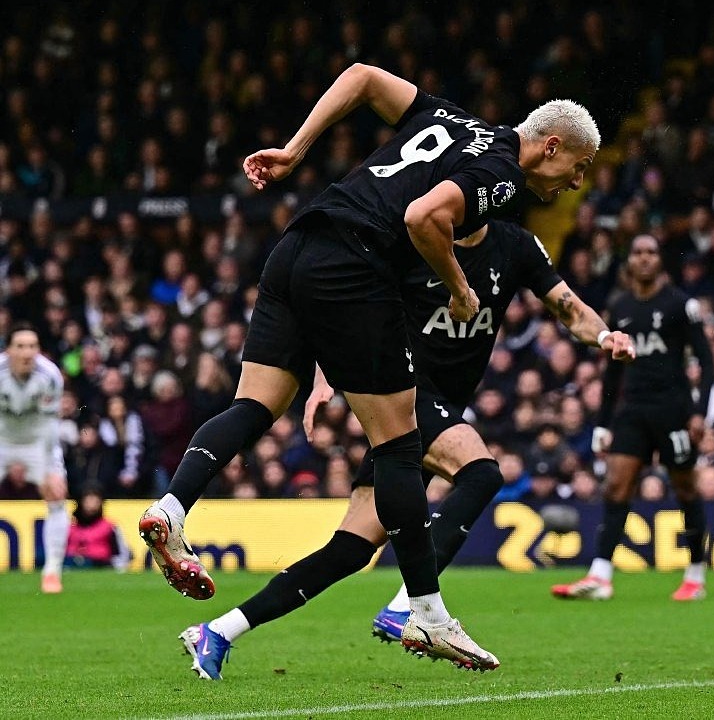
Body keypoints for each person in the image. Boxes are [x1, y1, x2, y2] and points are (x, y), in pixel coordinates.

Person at [136, 62, 600, 669]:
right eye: (579, 169)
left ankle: (172, 511)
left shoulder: (451, 117)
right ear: (553, 145)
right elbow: (421, 217)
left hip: (298, 246)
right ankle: (425, 611)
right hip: (354, 266)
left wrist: (296, 151)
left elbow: (361, 76)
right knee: (400, 448)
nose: (575, 183)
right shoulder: (501, 172)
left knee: (253, 407)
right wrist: (458, 287)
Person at [175, 218, 634, 680]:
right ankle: (409, 608)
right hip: (404, 392)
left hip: (425, 415)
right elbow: (348, 313)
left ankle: (218, 631)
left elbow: (569, 306)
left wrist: (603, 336)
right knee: (482, 473)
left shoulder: (516, 245)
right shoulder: (415, 241)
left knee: (349, 551)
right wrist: (322, 379)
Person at [552, 233, 714, 601]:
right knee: (615, 487)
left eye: (651, 253)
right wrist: (602, 423)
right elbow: (612, 372)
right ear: (629, 261)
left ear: (660, 260)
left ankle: (695, 574)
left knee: (686, 488)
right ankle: (600, 576)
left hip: (673, 410)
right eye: (638, 253)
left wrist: (699, 413)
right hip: (633, 410)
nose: (644, 259)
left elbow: (706, 362)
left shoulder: (680, 305)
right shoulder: (620, 306)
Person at [0, 326, 69, 593]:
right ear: (9, 350)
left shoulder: (50, 376)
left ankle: (52, 571)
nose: (27, 352)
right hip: (2, 439)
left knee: (56, 494)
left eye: (32, 346)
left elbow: (49, 424)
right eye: (21, 346)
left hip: (37, 442)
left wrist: (46, 467)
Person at [64, 485, 132, 571]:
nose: (92, 505)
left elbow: (122, 555)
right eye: (88, 500)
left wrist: (113, 567)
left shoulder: (109, 527)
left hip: (101, 566)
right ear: (80, 502)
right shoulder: (69, 527)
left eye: (95, 501)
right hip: (71, 566)